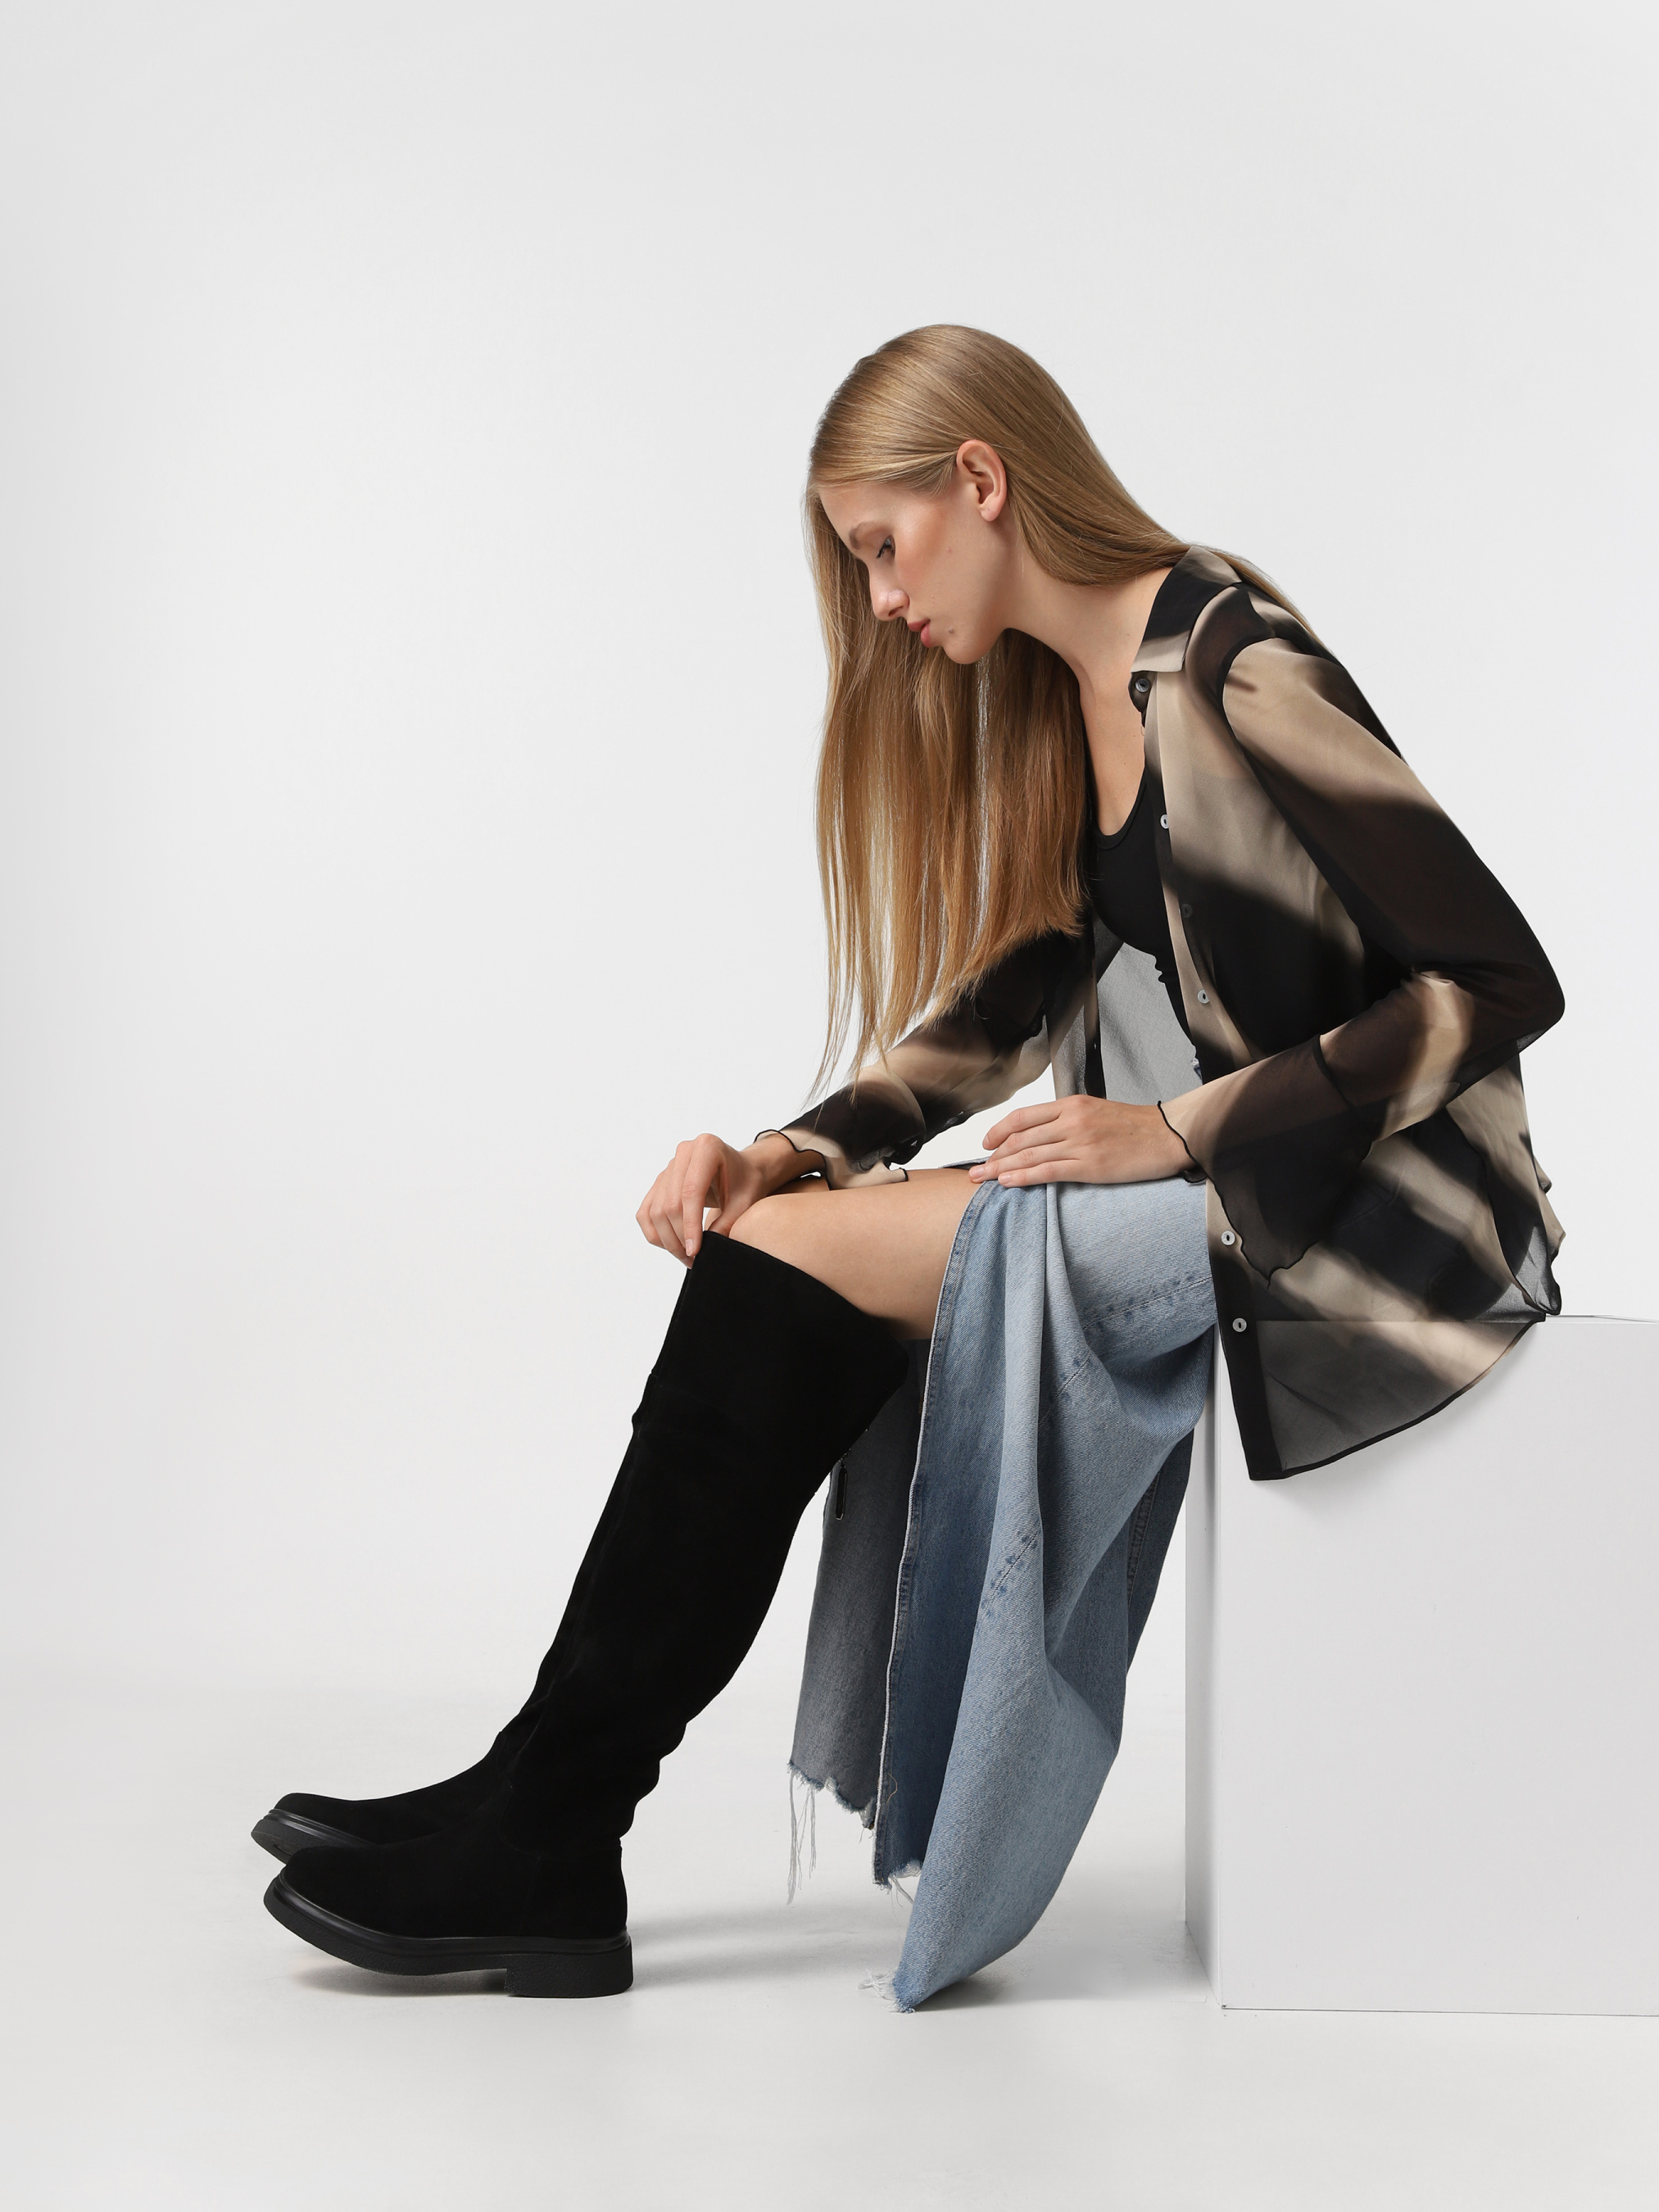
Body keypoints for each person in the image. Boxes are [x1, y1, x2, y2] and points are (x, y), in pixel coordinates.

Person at [256, 326, 1563, 2003]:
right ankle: (538, 1802)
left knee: (785, 1262)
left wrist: (1176, 1131)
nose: (878, 600)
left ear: (982, 480)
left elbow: (1497, 981)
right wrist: (795, 1145)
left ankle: (550, 1821)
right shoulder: (1075, 693)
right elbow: (1017, 991)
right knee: (781, 1233)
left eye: (884, 547)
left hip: (1373, 1220)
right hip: (1226, 1193)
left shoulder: (1236, 668)